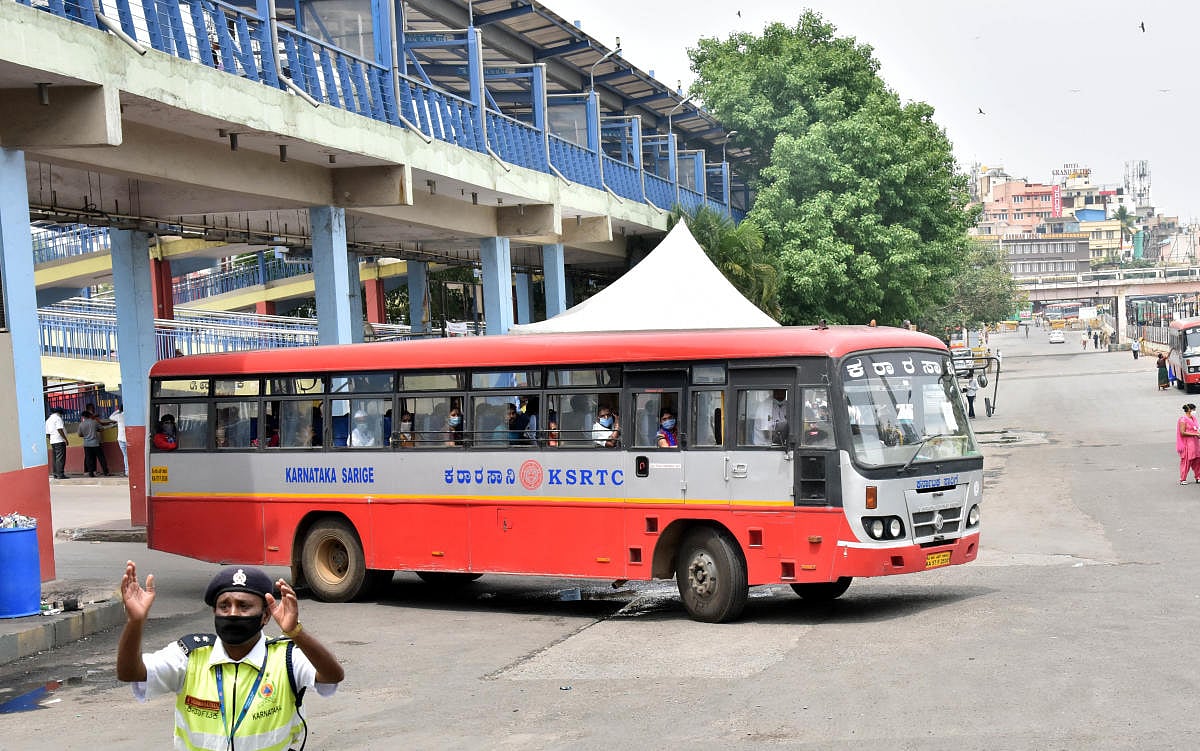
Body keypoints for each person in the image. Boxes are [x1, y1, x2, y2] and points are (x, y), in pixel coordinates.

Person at [117, 561, 343, 750]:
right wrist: (135, 623)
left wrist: (295, 633)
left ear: (265, 616)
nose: (233, 613)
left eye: (244, 606)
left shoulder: (286, 658)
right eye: (224, 606)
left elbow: (332, 675)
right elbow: (130, 673)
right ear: (214, 612)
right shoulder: (190, 655)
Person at [78, 409, 111, 477]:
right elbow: (101, 429)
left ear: (83, 417)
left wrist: (86, 435)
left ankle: (91, 473)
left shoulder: (81, 424)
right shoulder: (94, 422)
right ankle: (106, 472)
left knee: (88, 459)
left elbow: (79, 435)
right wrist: (96, 430)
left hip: (86, 444)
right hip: (95, 443)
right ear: (89, 415)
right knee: (101, 458)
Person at [1178, 404, 1200, 484]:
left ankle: (1198, 476)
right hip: (1188, 443)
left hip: (1195, 442)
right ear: (1189, 410)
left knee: (1197, 460)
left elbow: (1196, 429)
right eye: (1194, 409)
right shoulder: (1183, 420)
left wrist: (1198, 434)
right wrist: (1195, 434)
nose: (1195, 411)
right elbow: (1182, 432)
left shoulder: (1193, 418)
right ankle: (1183, 479)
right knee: (1187, 460)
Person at [45, 407, 68, 479]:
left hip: (53, 441)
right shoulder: (58, 418)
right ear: (59, 413)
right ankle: (60, 474)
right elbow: (59, 429)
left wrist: (51, 439)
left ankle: (55, 473)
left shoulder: (48, 420)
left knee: (55, 458)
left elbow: (47, 434)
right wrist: (65, 439)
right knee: (60, 458)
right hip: (59, 440)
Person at [110, 401, 128, 476]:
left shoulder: (119, 416)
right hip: (128, 438)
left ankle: (127, 471)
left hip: (120, 439)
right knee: (130, 455)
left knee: (125, 455)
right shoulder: (129, 416)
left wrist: (118, 410)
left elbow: (110, 417)